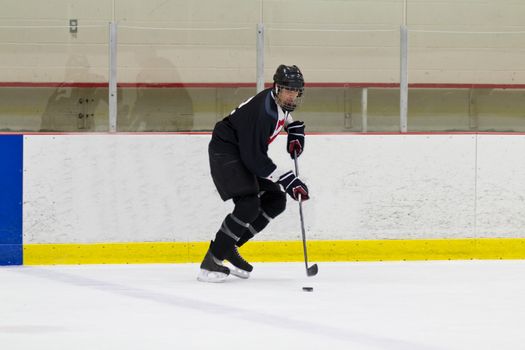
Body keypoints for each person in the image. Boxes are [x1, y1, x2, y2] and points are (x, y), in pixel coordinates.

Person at [197, 64, 310, 283]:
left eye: (295, 91)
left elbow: (282, 117)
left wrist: (293, 128)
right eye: (287, 90)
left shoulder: (277, 102)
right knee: (248, 204)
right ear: (276, 88)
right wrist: (287, 178)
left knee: (276, 200)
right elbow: (254, 159)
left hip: (242, 151)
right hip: (226, 150)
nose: (291, 95)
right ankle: (212, 260)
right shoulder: (262, 112)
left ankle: (230, 246)